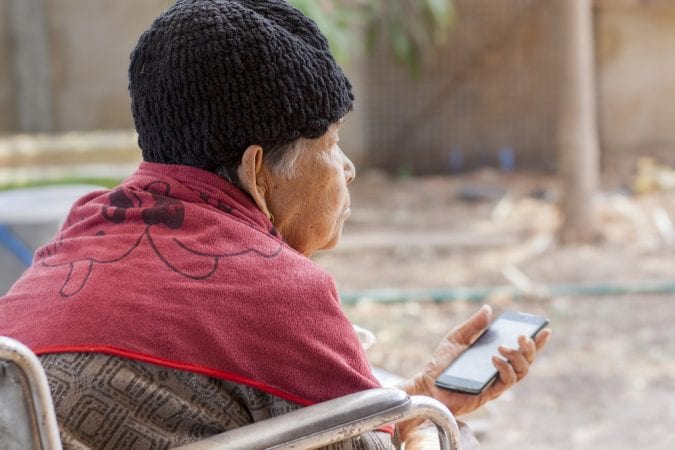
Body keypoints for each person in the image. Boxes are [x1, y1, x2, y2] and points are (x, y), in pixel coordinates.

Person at [0, 1, 550, 449]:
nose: (349, 169)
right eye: (331, 144)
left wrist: (426, 391)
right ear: (257, 170)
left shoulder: (81, 233)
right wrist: (435, 419)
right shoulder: (277, 293)